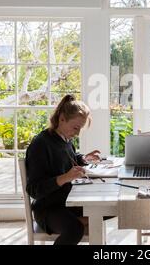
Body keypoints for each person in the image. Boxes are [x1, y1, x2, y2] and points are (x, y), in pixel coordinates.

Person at [25, 94, 101, 245]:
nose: (78, 133)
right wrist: (65, 178)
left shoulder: (65, 140)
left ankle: (88, 224)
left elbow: (68, 158)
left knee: (106, 211)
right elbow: (34, 190)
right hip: (48, 208)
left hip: (67, 202)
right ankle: (81, 222)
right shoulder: (41, 144)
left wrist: (83, 159)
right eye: (76, 128)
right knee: (75, 228)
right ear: (61, 119)